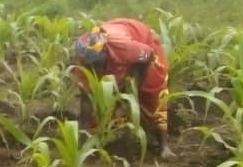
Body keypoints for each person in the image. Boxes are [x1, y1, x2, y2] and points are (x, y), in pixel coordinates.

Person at [73, 18, 176, 159]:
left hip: (143, 41)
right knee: (97, 112)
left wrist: (138, 87)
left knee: (153, 93)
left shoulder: (124, 48)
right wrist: (82, 145)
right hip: (118, 41)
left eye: (95, 66)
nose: (92, 71)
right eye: (89, 67)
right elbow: (86, 102)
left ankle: (164, 145)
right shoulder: (84, 61)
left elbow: (148, 55)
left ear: (104, 56)